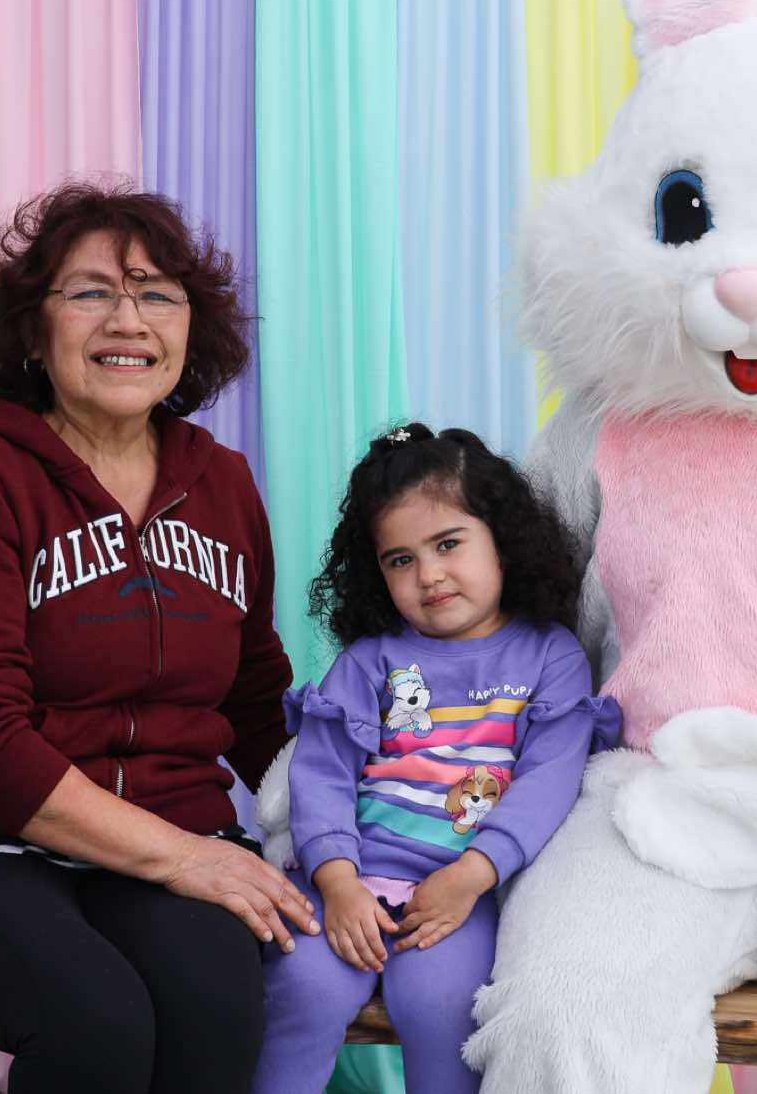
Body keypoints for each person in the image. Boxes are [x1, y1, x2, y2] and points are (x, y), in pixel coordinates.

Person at [0, 181, 316, 1094]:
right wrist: (187, 856)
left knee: (216, 1001)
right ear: (33, 329)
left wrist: (344, 836)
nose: (127, 319)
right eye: (92, 291)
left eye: (157, 294)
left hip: (165, 831)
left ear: (192, 328)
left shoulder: (222, 484)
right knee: (96, 1017)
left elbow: (255, 698)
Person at [250, 425, 619, 1094]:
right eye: (400, 559)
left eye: (448, 544)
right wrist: (337, 881)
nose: (429, 575)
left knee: (441, 1004)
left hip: (460, 891)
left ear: (502, 538)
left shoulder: (550, 655)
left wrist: (473, 875)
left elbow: (551, 778)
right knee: (303, 986)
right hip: (347, 880)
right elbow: (322, 773)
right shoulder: (371, 660)